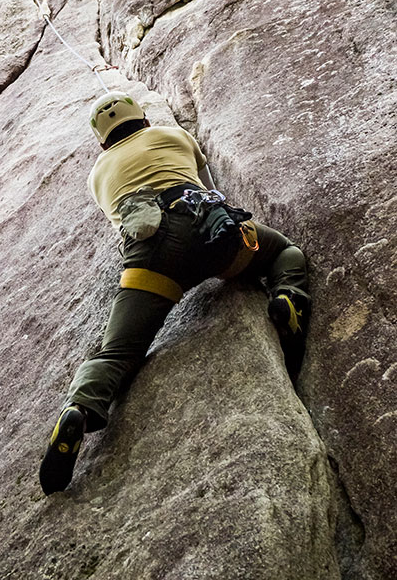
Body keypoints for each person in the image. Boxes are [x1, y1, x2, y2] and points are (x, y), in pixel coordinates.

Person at [39, 90, 311, 496]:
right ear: (143, 120)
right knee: (285, 252)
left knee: (117, 351)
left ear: (102, 140)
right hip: (215, 237)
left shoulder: (98, 173)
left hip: (152, 258)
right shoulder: (172, 135)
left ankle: (79, 406)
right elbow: (204, 178)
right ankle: (287, 296)